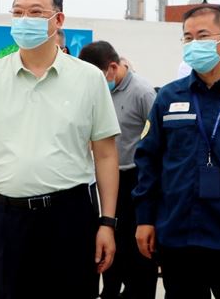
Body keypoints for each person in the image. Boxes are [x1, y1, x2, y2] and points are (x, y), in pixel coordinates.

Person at [0, 0, 121, 299]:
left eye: (35, 12)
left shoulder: (88, 78)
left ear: (59, 20)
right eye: (17, 13)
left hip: (70, 217)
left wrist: (107, 223)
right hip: (6, 219)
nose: (24, 19)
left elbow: (106, 155)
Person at [133, 4, 220, 299]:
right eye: (187, 38)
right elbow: (148, 160)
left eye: (202, 36)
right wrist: (145, 218)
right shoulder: (168, 97)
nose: (193, 44)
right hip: (178, 235)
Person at [79, 40, 158, 299]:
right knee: (109, 238)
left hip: (135, 178)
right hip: (107, 178)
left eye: (98, 76)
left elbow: (158, 139)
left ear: (113, 68)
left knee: (137, 248)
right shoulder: (96, 92)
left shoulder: (143, 92)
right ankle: (110, 290)